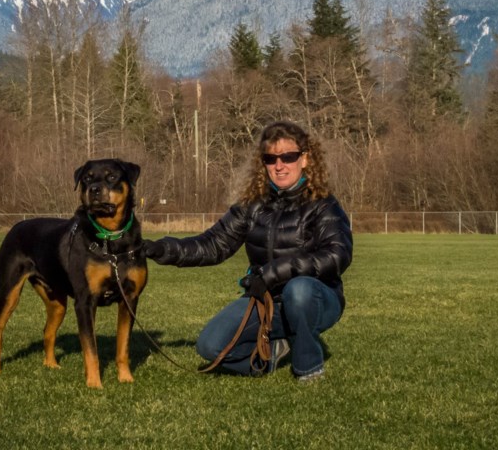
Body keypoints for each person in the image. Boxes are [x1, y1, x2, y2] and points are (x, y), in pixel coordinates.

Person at [143, 120, 353, 381]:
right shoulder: (252, 205)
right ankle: (273, 351)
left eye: (288, 156)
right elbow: (212, 245)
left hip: (317, 298)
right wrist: (158, 248)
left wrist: (274, 272)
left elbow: (337, 255)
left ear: (305, 159)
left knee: (298, 290)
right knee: (210, 346)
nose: (279, 165)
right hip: (265, 300)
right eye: (270, 158)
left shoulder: (323, 205)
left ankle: (308, 367)